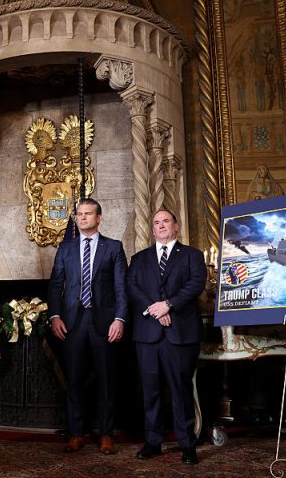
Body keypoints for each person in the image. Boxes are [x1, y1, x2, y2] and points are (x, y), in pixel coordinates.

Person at [47, 198, 127, 455]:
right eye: (79, 214)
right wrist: (55, 315)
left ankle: (106, 435)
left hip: (104, 322)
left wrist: (120, 319)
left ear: (99, 218)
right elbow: (55, 284)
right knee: (74, 380)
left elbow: (120, 287)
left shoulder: (113, 247)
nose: (82, 217)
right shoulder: (66, 248)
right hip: (72, 322)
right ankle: (76, 433)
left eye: (87, 213)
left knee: (106, 380)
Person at [127, 210, 207, 465]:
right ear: (152, 230)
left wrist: (168, 305)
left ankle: (187, 445)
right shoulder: (139, 259)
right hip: (147, 334)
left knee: (181, 390)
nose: (161, 226)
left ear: (176, 226)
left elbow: (195, 284)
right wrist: (155, 309)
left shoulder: (193, 255)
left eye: (165, 221)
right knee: (150, 391)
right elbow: (132, 287)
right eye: (156, 223)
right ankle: (153, 442)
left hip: (180, 334)